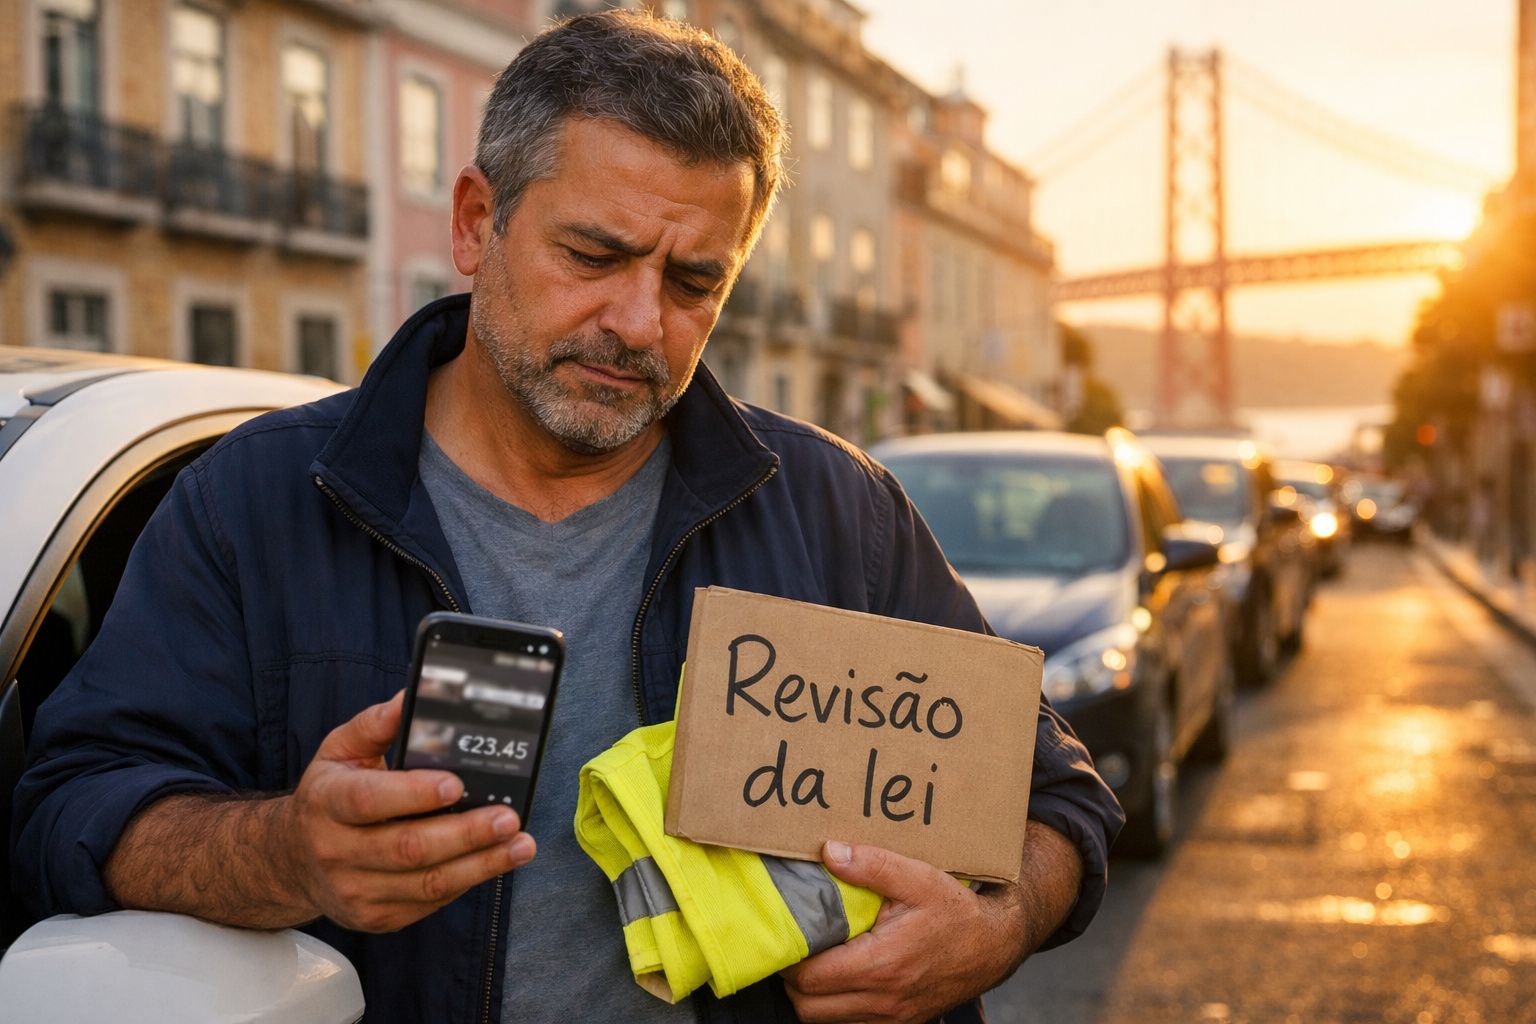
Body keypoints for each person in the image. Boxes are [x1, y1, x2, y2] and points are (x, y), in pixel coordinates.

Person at [13, 11, 1121, 1023]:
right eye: (594, 255)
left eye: (695, 283)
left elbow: (1058, 799)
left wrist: (997, 925)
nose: (639, 321)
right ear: (473, 221)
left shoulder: (841, 512)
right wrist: (290, 853)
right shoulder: (252, 501)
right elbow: (72, 807)